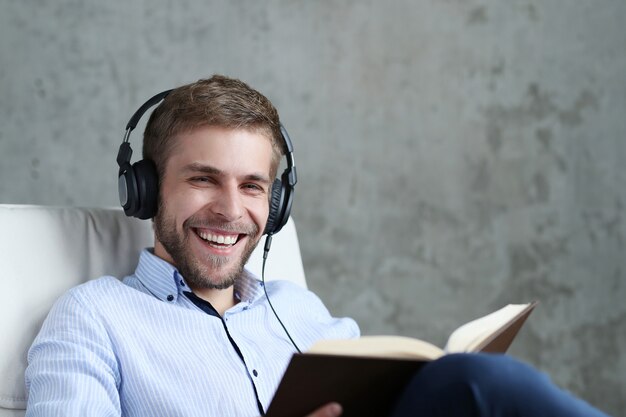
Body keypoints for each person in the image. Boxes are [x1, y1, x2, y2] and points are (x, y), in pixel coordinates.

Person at [25, 75, 611, 417]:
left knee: (472, 381)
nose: (231, 210)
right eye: (203, 178)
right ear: (147, 189)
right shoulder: (93, 316)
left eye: (253, 186)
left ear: (275, 204)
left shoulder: (301, 312)